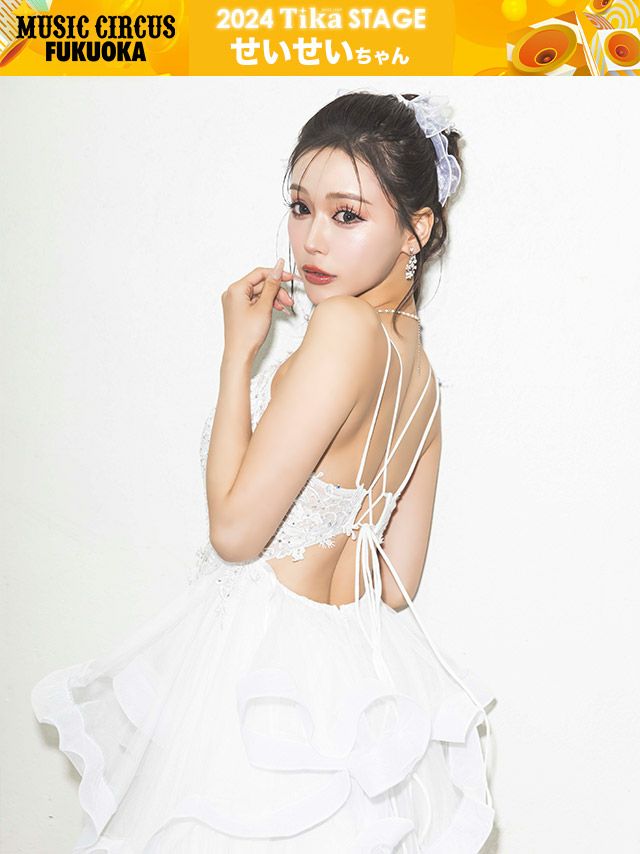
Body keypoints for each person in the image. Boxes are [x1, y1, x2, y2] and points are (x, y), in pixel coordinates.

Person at [31, 89, 497, 853]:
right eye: (301, 207)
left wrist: (236, 356)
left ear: (417, 229)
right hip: (348, 683)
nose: (312, 239)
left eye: (347, 215)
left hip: (259, 675)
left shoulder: (342, 328)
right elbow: (395, 579)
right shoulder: (422, 377)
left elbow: (235, 532)